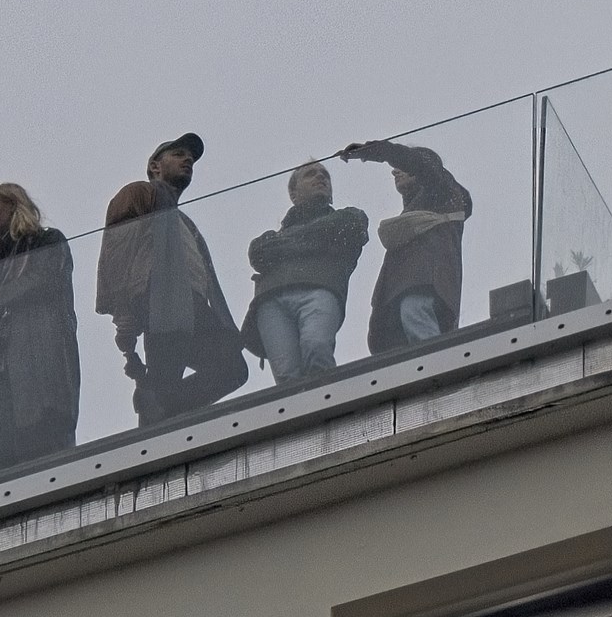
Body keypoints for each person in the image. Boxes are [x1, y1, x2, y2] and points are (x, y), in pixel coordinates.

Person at [95, 133, 247, 423]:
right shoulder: (140, 192)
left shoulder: (184, 221)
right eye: (178, 154)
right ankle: (158, 410)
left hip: (186, 305)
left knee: (228, 369)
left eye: (189, 157)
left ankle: (158, 406)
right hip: (159, 301)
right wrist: (122, 309)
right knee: (228, 367)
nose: (187, 159)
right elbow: (116, 249)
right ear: (155, 166)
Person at [0, 183, 81, 478]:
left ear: (13, 204)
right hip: (1, 372)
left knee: (41, 443)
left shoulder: (48, 241)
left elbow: (46, 279)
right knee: (0, 450)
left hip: (38, 358)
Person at [242, 161, 370, 386]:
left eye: (325, 175)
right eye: (311, 174)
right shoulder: (269, 239)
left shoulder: (348, 217)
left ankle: (330, 411)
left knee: (317, 348)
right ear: (293, 192)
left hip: (320, 290)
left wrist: (286, 244)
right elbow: (257, 253)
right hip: (270, 300)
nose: (320, 177)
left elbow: (350, 225)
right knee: (286, 377)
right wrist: (315, 242)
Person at [339, 137, 474, 351]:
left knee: (416, 315)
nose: (394, 172)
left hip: (425, 280)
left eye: (400, 166)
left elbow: (422, 163)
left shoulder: (441, 190)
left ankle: (437, 371)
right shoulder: (418, 209)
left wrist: (379, 151)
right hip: (404, 288)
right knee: (405, 334)